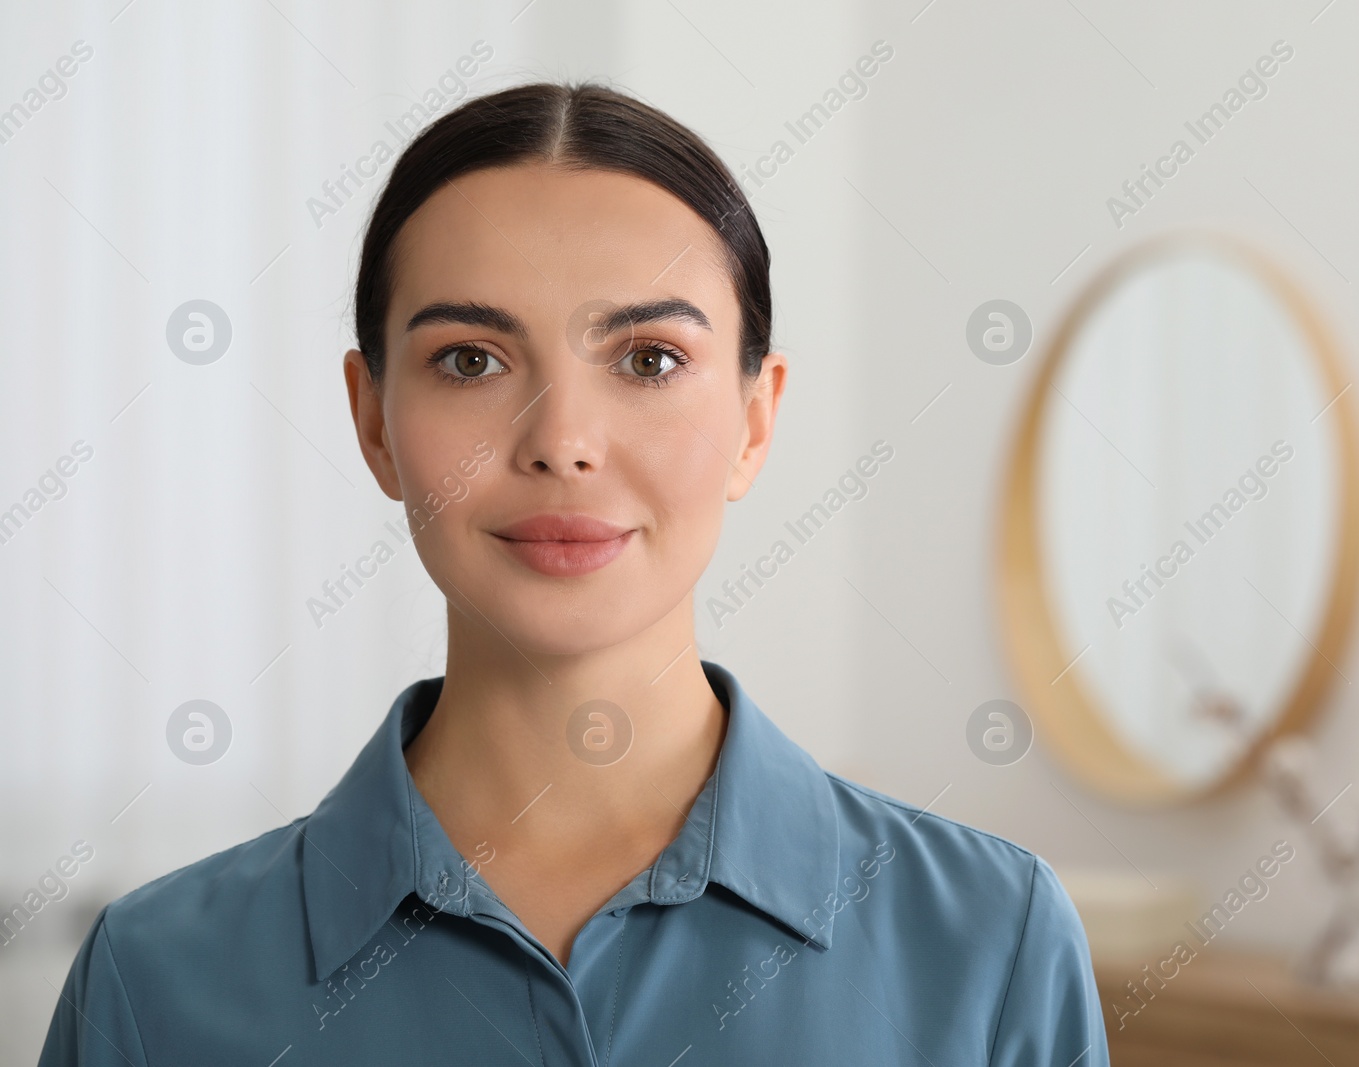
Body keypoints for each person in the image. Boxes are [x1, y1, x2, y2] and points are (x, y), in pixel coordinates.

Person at [38, 81, 1109, 1065]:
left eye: (648, 359)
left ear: (754, 418)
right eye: (471, 358)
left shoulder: (989, 938)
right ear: (372, 419)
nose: (563, 441)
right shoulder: (155, 978)